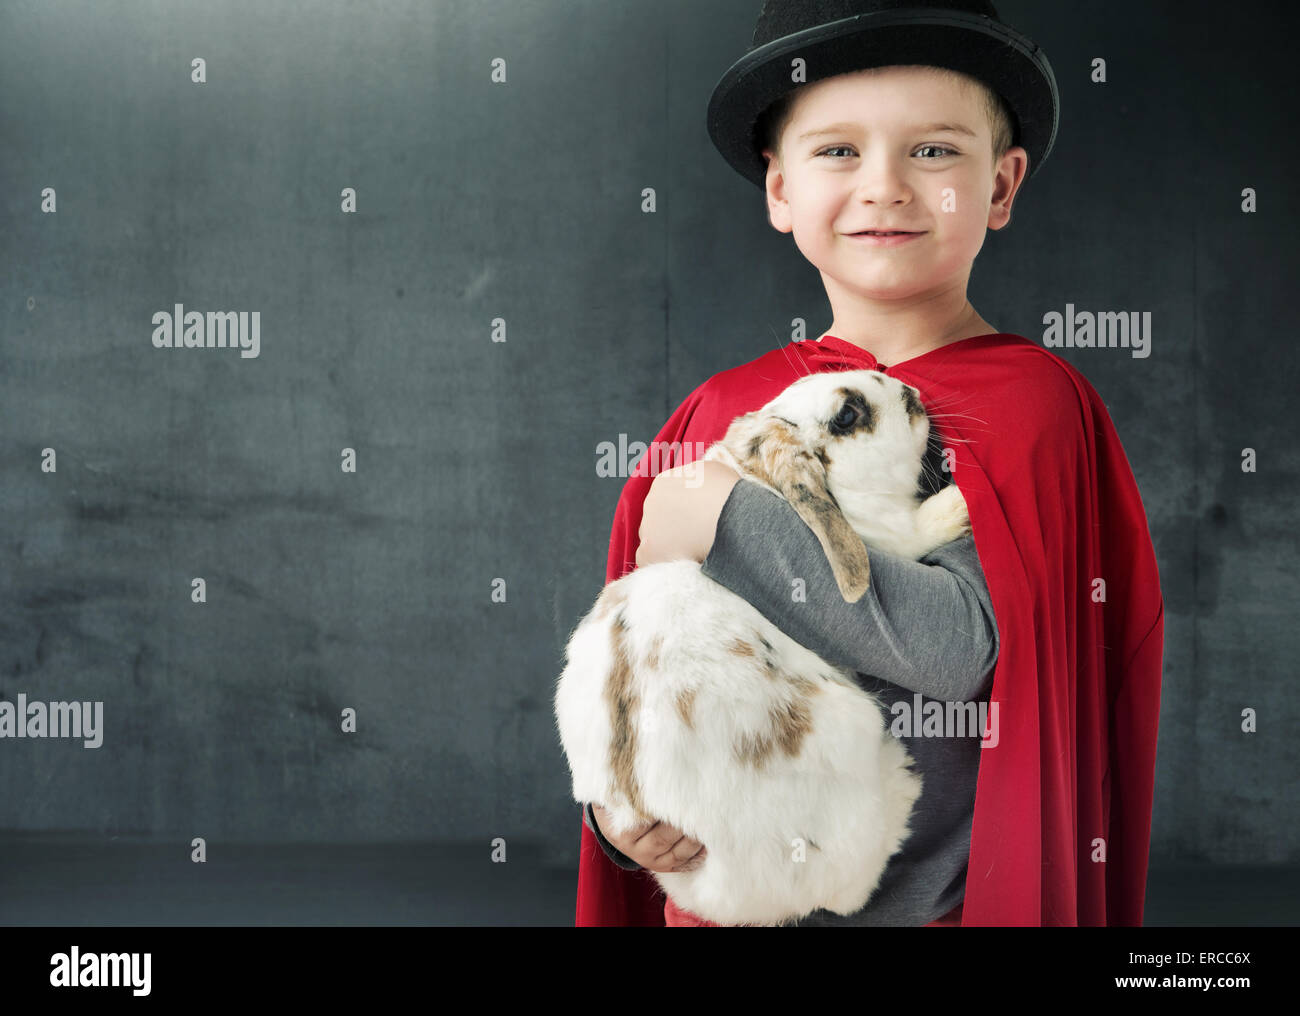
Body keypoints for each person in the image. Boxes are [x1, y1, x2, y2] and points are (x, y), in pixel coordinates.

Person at [574, 0, 1164, 927]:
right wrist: (624, 817)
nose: (885, 185)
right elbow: (642, 666)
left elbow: (962, 654)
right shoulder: (717, 411)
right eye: (837, 150)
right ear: (779, 191)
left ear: (1001, 187)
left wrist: (731, 517)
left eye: (933, 151)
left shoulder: (1035, 407)